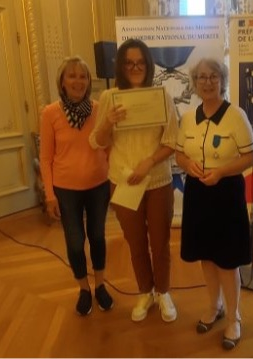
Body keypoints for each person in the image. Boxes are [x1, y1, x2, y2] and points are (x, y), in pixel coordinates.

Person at [89, 39, 179, 323]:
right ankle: (146, 291)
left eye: (140, 62)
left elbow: (172, 141)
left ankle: (163, 291)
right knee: (136, 242)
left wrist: (149, 161)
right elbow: (96, 141)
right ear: (121, 66)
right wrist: (108, 122)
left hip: (157, 180)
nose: (135, 67)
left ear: (148, 65)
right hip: (123, 180)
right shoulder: (109, 98)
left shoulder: (161, 95)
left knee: (160, 241)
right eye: (129, 63)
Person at [176, 58, 253, 350]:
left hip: (226, 194)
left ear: (222, 80)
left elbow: (251, 157)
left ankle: (233, 318)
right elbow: (179, 155)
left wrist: (221, 172)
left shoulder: (236, 115)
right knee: (206, 256)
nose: (207, 82)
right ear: (194, 83)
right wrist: (189, 165)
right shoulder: (187, 118)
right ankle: (214, 306)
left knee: (227, 260)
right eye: (201, 77)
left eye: (213, 76)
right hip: (198, 194)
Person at [39, 56, 113, 316]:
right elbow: (46, 158)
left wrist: (114, 181)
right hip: (65, 189)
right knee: (74, 242)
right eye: (72, 76)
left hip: (98, 185)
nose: (78, 81)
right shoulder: (50, 113)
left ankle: (101, 285)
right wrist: (50, 195)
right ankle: (84, 288)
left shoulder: (99, 109)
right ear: (62, 82)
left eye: (83, 76)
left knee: (97, 237)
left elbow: (109, 146)